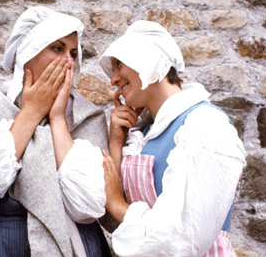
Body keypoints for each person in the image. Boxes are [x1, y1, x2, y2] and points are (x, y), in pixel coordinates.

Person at [0, 6, 111, 256]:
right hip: (3, 245)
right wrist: (32, 112)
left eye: (74, 53)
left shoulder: (86, 116)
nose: (68, 61)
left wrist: (57, 118)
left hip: (76, 244)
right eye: (57, 48)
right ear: (28, 53)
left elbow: (89, 205)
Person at [100, 20, 246, 256]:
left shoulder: (204, 125)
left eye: (120, 65)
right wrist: (117, 142)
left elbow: (181, 239)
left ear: (148, 61)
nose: (113, 79)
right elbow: (115, 218)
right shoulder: (145, 134)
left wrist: (117, 204)